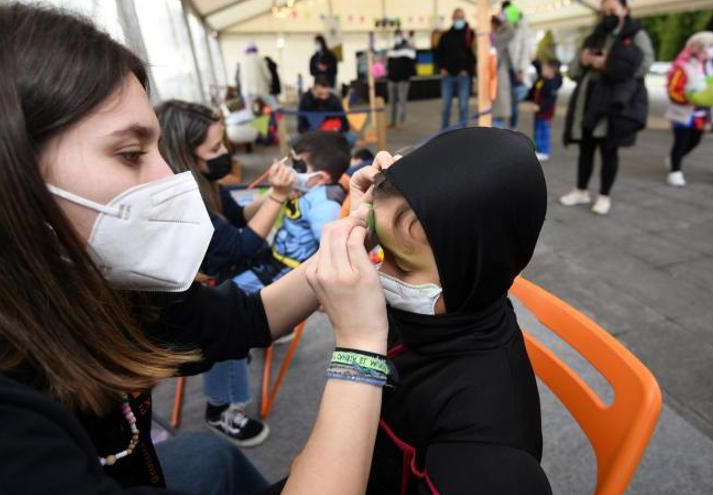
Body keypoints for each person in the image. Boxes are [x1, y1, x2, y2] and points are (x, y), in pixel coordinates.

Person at [0, 5, 389, 494]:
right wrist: (360, 347)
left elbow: (240, 320)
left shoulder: (85, 277)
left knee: (208, 456)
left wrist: (349, 236)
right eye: (130, 154)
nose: (170, 180)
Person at [357, 128, 550, 494]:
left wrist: (355, 348)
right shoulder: (441, 312)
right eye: (378, 252)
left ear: (474, 272)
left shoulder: (485, 461)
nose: (377, 275)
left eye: (402, 266)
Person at [155, 101, 295, 447]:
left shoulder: (205, 182)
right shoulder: (183, 202)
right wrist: (277, 197)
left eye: (224, 144)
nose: (225, 154)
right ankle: (221, 410)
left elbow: (238, 216)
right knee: (233, 316)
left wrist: (270, 195)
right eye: (215, 148)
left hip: (219, 273)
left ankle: (263, 322)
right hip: (196, 293)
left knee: (278, 272)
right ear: (185, 154)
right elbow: (240, 247)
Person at [231, 130, 350, 303]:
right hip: (277, 256)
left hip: (290, 270)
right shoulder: (305, 188)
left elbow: (328, 250)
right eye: (292, 162)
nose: (291, 170)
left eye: (298, 166)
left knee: (234, 297)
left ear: (320, 178)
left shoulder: (325, 205)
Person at [560, 0, 654, 215]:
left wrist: (608, 66)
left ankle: (604, 195)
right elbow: (573, 71)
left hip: (613, 102)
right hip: (588, 100)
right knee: (586, 148)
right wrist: (584, 62)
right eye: (604, 12)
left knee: (609, 149)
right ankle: (581, 189)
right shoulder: (595, 36)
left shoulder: (636, 35)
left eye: (612, 11)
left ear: (625, 10)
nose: (608, 15)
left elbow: (644, 65)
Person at [664, 32, 713, 187]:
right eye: (708, 46)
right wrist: (689, 99)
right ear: (695, 48)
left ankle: (675, 158)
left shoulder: (710, 68)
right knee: (681, 141)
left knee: (695, 140)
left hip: (700, 114)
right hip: (682, 112)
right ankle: (675, 171)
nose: (711, 50)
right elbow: (673, 90)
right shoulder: (683, 67)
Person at [434, 8, 476, 129]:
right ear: (452, 19)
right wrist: (441, 68)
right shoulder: (446, 36)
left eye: (461, 17)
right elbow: (438, 54)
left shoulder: (470, 35)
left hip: (463, 76)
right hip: (447, 76)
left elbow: (473, 55)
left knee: (463, 106)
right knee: (445, 106)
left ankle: (462, 132)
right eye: (457, 17)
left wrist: (467, 70)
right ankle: (444, 132)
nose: (459, 20)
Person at [501, 1, 535, 129]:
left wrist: (520, 70)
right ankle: (508, 126)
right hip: (507, 68)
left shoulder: (522, 27)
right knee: (507, 99)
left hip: (516, 69)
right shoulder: (508, 24)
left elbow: (524, 49)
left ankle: (512, 128)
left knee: (514, 100)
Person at [528, 59, 563, 161]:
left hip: (545, 113)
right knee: (537, 131)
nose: (542, 70)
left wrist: (541, 107)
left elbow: (550, 100)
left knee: (544, 131)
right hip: (538, 112)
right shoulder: (542, 80)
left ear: (552, 70)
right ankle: (538, 149)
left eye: (545, 69)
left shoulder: (552, 84)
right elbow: (534, 90)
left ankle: (544, 151)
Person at [386, 29, 417, 129]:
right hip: (392, 79)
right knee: (392, 102)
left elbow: (411, 64)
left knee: (402, 101)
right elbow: (389, 64)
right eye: (396, 35)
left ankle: (401, 122)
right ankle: (392, 121)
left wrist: (407, 76)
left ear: (402, 36)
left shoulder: (408, 48)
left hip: (403, 80)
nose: (397, 37)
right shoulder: (392, 49)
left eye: (398, 35)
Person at [491, 14, 515, 128]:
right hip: (491, 79)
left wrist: (504, 20)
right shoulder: (485, 40)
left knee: (498, 115)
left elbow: (511, 31)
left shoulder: (499, 38)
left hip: (499, 78)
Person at [236, 42, 272, 107]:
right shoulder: (260, 59)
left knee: (251, 111)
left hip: (247, 92)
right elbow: (267, 76)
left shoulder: (242, 61)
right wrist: (269, 85)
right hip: (261, 90)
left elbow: (240, 78)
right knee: (266, 109)